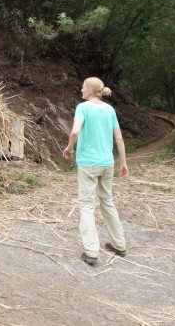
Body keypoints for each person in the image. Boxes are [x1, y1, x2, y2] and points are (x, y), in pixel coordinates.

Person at [62, 77, 128, 266]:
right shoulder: (110, 110)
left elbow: (75, 132)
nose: (81, 89)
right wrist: (123, 163)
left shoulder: (82, 108)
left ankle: (91, 251)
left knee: (87, 206)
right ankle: (119, 244)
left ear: (90, 90)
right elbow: (119, 138)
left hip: (88, 165)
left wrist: (69, 147)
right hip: (107, 164)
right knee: (107, 201)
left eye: (83, 87)